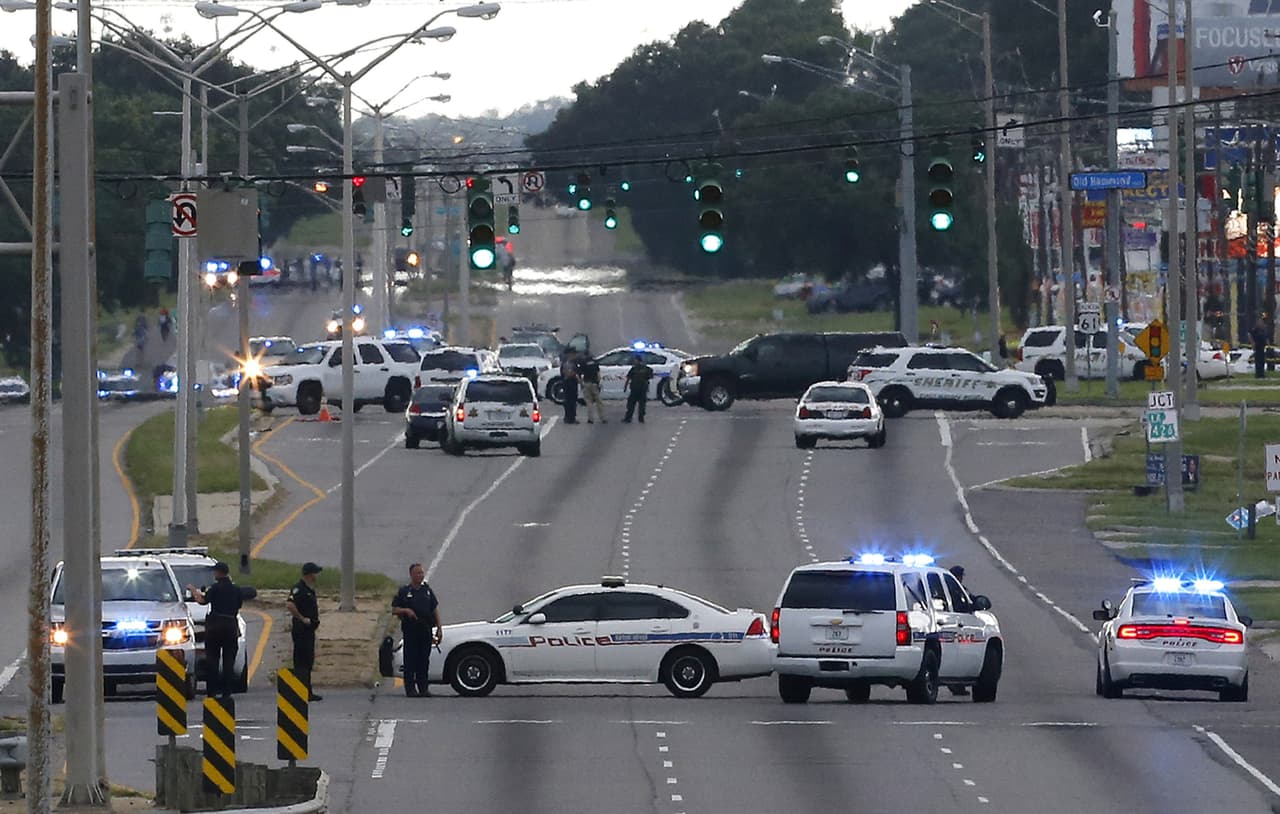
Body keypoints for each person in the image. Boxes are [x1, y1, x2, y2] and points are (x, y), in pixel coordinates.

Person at [187, 562, 243, 698]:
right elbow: (239, 605)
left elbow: (202, 601)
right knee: (229, 660)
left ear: (218, 573)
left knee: (213, 659)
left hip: (215, 627)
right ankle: (227, 692)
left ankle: (211, 692)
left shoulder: (215, 588)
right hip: (230, 626)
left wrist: (194, 591)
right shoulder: (236, 589)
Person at [391, 563, 441, 697]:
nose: (420, 575)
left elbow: (434, 609)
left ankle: (423, 688)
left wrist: (439, 628)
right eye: (417, 573)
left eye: (421, 573)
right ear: (411, 575)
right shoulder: (404, 591)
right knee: (410, 661)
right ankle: (410, 689)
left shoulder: (427, 591)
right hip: (411, 630)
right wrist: (406, 610)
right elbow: (394, 609)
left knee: (424, 660)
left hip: (425, 630)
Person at [285, 562, 323, 701]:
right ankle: (301, 691)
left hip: (309, 631)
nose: (316, 576)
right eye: (315, 573)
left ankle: (307, 691)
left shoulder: (308, 589)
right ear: (309, 574)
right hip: (301, 630)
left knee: (308, 661)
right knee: (301, 661)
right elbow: (289, 604)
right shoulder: (299, 589)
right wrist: (302, 618)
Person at [947, 564, 969, 697]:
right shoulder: (957, 590)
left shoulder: (939, 587)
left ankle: (958, 686)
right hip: (955, 625)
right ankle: (957, 685)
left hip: (950, 625)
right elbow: (968, 603)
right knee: (959, 654)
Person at [623, 353, 654, 424]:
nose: (634, 361)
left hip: (636, 388)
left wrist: (625, 387)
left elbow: (628, 378)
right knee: (641, 404)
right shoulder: (646, 368)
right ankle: (640, 418)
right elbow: (650, 376)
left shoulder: (634, 369)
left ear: (637, 360)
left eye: (635, 360)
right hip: (641, 388)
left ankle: (629, 418)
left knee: (632, 404)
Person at [577, 353, 606, 424]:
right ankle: (602, 418)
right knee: (598, 401)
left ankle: (590, 419)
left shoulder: (583, 363)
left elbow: (578, 375)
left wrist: (581, 383)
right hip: (594, 384)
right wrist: (598, 383)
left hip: (586, 383)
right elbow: (598, 375)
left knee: (589, 402)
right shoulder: (595, 363)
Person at [560, 350, 580, 424]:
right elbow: (569, 373)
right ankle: (571, 418)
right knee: (571, 402)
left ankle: (567, 417)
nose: (575, 356)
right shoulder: (570, 364)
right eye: (574, 354)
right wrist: (573, 375)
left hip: (567, 383)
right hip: (570, 383)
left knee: (568, 401)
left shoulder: (565, 363)